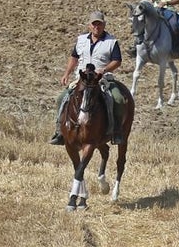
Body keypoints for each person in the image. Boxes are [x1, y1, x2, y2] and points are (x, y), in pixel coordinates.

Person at [50, 11, 124, 146]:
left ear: (104, 25)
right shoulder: (81, 40)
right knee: (62, 98)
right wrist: (67, 73)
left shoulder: (111, 42)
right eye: (94, 24)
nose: (97, 27)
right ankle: (59, 131)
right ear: (89, 25)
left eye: (99, 24)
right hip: (82, 79)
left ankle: (116, 131)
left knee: (118, 99)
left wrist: (104, 69)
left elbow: (117, 61)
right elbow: (74, 57)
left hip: (102, 80)